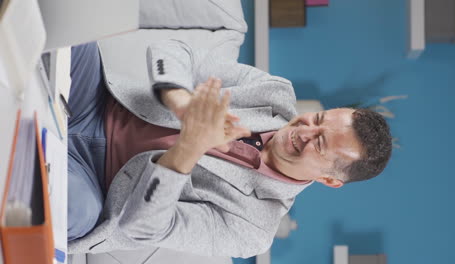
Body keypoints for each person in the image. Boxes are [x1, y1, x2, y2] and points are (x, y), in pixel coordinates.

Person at [67, 42, 392, 258]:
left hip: (94, 186)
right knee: (73, 33)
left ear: (329, 180)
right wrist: (180, 100)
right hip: (98, 103)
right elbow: (175, 50)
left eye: (319, 144)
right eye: (318, 119)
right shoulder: (273, 93)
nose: (304, 131)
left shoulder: (253, 230)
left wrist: (189, 149)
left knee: (72, 209)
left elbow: (141, 228)